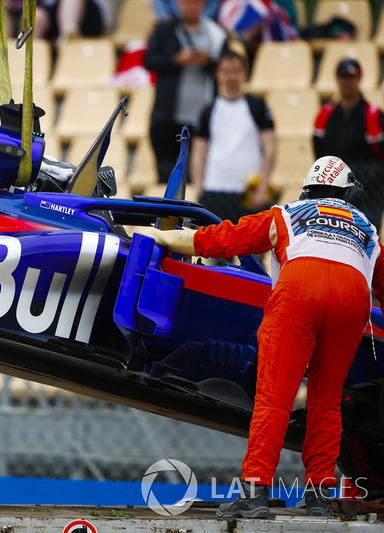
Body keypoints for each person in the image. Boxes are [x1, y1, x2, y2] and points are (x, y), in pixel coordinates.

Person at [132, 156, 384, 518]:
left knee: (274, 398)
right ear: (351, 193)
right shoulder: (368, 228)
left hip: (299, 291)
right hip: (351, 300)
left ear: (308, 190)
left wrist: (162, 236)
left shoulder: (288, 213)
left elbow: (222, 240)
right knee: (327, 402)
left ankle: (254, 493)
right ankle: (318, 496)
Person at [191, 44, 276, 224]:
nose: (231, 76)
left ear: (244, 73)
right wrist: (199, 187)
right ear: (218, 74)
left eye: (236, 71)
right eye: (226, 71)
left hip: (247, 192)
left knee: (250, 250)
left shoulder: (258, 107)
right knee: (214, 251)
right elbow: (198, 152)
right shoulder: (208, 110)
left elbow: (270, 149)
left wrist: (263, 186)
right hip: (214, 190)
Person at [144, 0, 226, 184]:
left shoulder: (216, 33)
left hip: (201, 119)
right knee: (165, 176)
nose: (191, 7)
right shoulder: (165, 29)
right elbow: (149, 60)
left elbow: (229, 67)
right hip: (167, 117)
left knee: (195, 177)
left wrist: (208, 62)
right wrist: (175, 59)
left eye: (195, 3)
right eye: (187, 3)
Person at [314, 58, 384, 230]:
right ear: (337, 79)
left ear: (359, 79)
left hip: (370, 193)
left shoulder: (374, 115)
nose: (347, 81)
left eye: (352, 76)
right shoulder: (326, 115)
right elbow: (319, 151)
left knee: (367, 240)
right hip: (335, 192)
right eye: (343, 76)